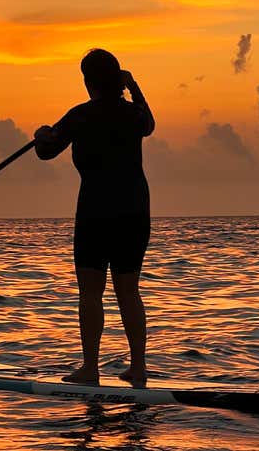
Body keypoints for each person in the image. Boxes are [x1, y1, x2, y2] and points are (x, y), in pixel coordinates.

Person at [34, 48, 155, 386]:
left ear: (88, 81)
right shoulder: (133, 114)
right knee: (128, 291)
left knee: (90, 292)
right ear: (118, 79)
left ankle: (90, 369)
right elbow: (149, 123)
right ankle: (138, 367)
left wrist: (40, 135)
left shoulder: (80, 116)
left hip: (96, 214)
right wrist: (135, 87)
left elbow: (46, 151)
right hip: (134, 212)